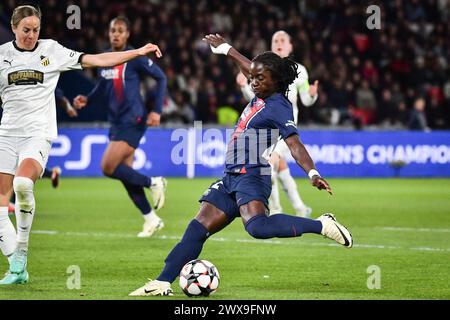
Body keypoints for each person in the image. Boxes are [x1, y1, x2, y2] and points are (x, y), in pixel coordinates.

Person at [129, 34, 352, 297]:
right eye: (253, 77)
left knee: (258, 227)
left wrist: (312, 173)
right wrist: (226, 49)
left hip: (253, 175)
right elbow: (251, 67)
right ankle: (162, 282)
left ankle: (322, 225)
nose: (253, 82)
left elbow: (294, 144)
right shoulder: (263, 85)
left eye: (259, 79)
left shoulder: (280, 107)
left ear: (275, 81)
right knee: (197, 228)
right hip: (232, 175)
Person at [0, 5, 162, 285]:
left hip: (38, 134)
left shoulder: (51, 50)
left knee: (23, 185)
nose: (31, 35)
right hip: (6, 134)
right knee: (0, 205)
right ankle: (16, 265)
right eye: (26, 30)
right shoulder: (2, 54)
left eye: (36, 30)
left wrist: (135, 52)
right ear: (14, 28)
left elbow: (98, 60)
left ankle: (22, 255)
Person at [73, 16, 168, 238]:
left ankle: (154, 182)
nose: (115, 34)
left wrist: (156, 111)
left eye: (120, 30)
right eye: (112, 30)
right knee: (125, 174)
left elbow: (161, 78)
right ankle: (151, 219)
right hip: (116, 121)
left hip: (133, 119)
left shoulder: (135, 58)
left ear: (127, 35)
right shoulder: (106, 58)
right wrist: (88, 99)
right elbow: (103, 87)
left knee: (107, 166)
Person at [236, 30, 318, 218]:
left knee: (269, 164)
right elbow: (255, 98)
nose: (279, 43)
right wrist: (243, 86)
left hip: (285, 129)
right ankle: (300, 208)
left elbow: (306, 100)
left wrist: (312, 95)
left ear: (290, 46)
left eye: (283, 40)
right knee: (279, 166)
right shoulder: (263, 70)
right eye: (275, 40)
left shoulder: (300, 71)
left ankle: (274, 210)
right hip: (267, 128)